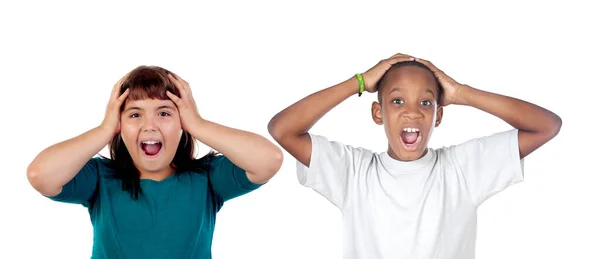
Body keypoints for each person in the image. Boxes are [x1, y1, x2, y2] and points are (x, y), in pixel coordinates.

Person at [267, 53, 562, 259]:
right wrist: (358, 82)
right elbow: (282, 130)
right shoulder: (353, 172)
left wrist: (461, 93)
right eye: (397, 101)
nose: (412, 111)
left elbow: (546, 126)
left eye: (425, 102)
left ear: (438, 115)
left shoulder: (463, 168)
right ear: (378, 113)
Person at [27, 66, 283, 258]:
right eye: (135, 114)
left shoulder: (206, 178)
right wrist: (105, 129)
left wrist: (198, 124)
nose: (150, 125)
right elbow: (40, 175)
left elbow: (268, 160)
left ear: (182, 122)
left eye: (164, 113)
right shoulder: (100, 178)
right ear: (120, 125)